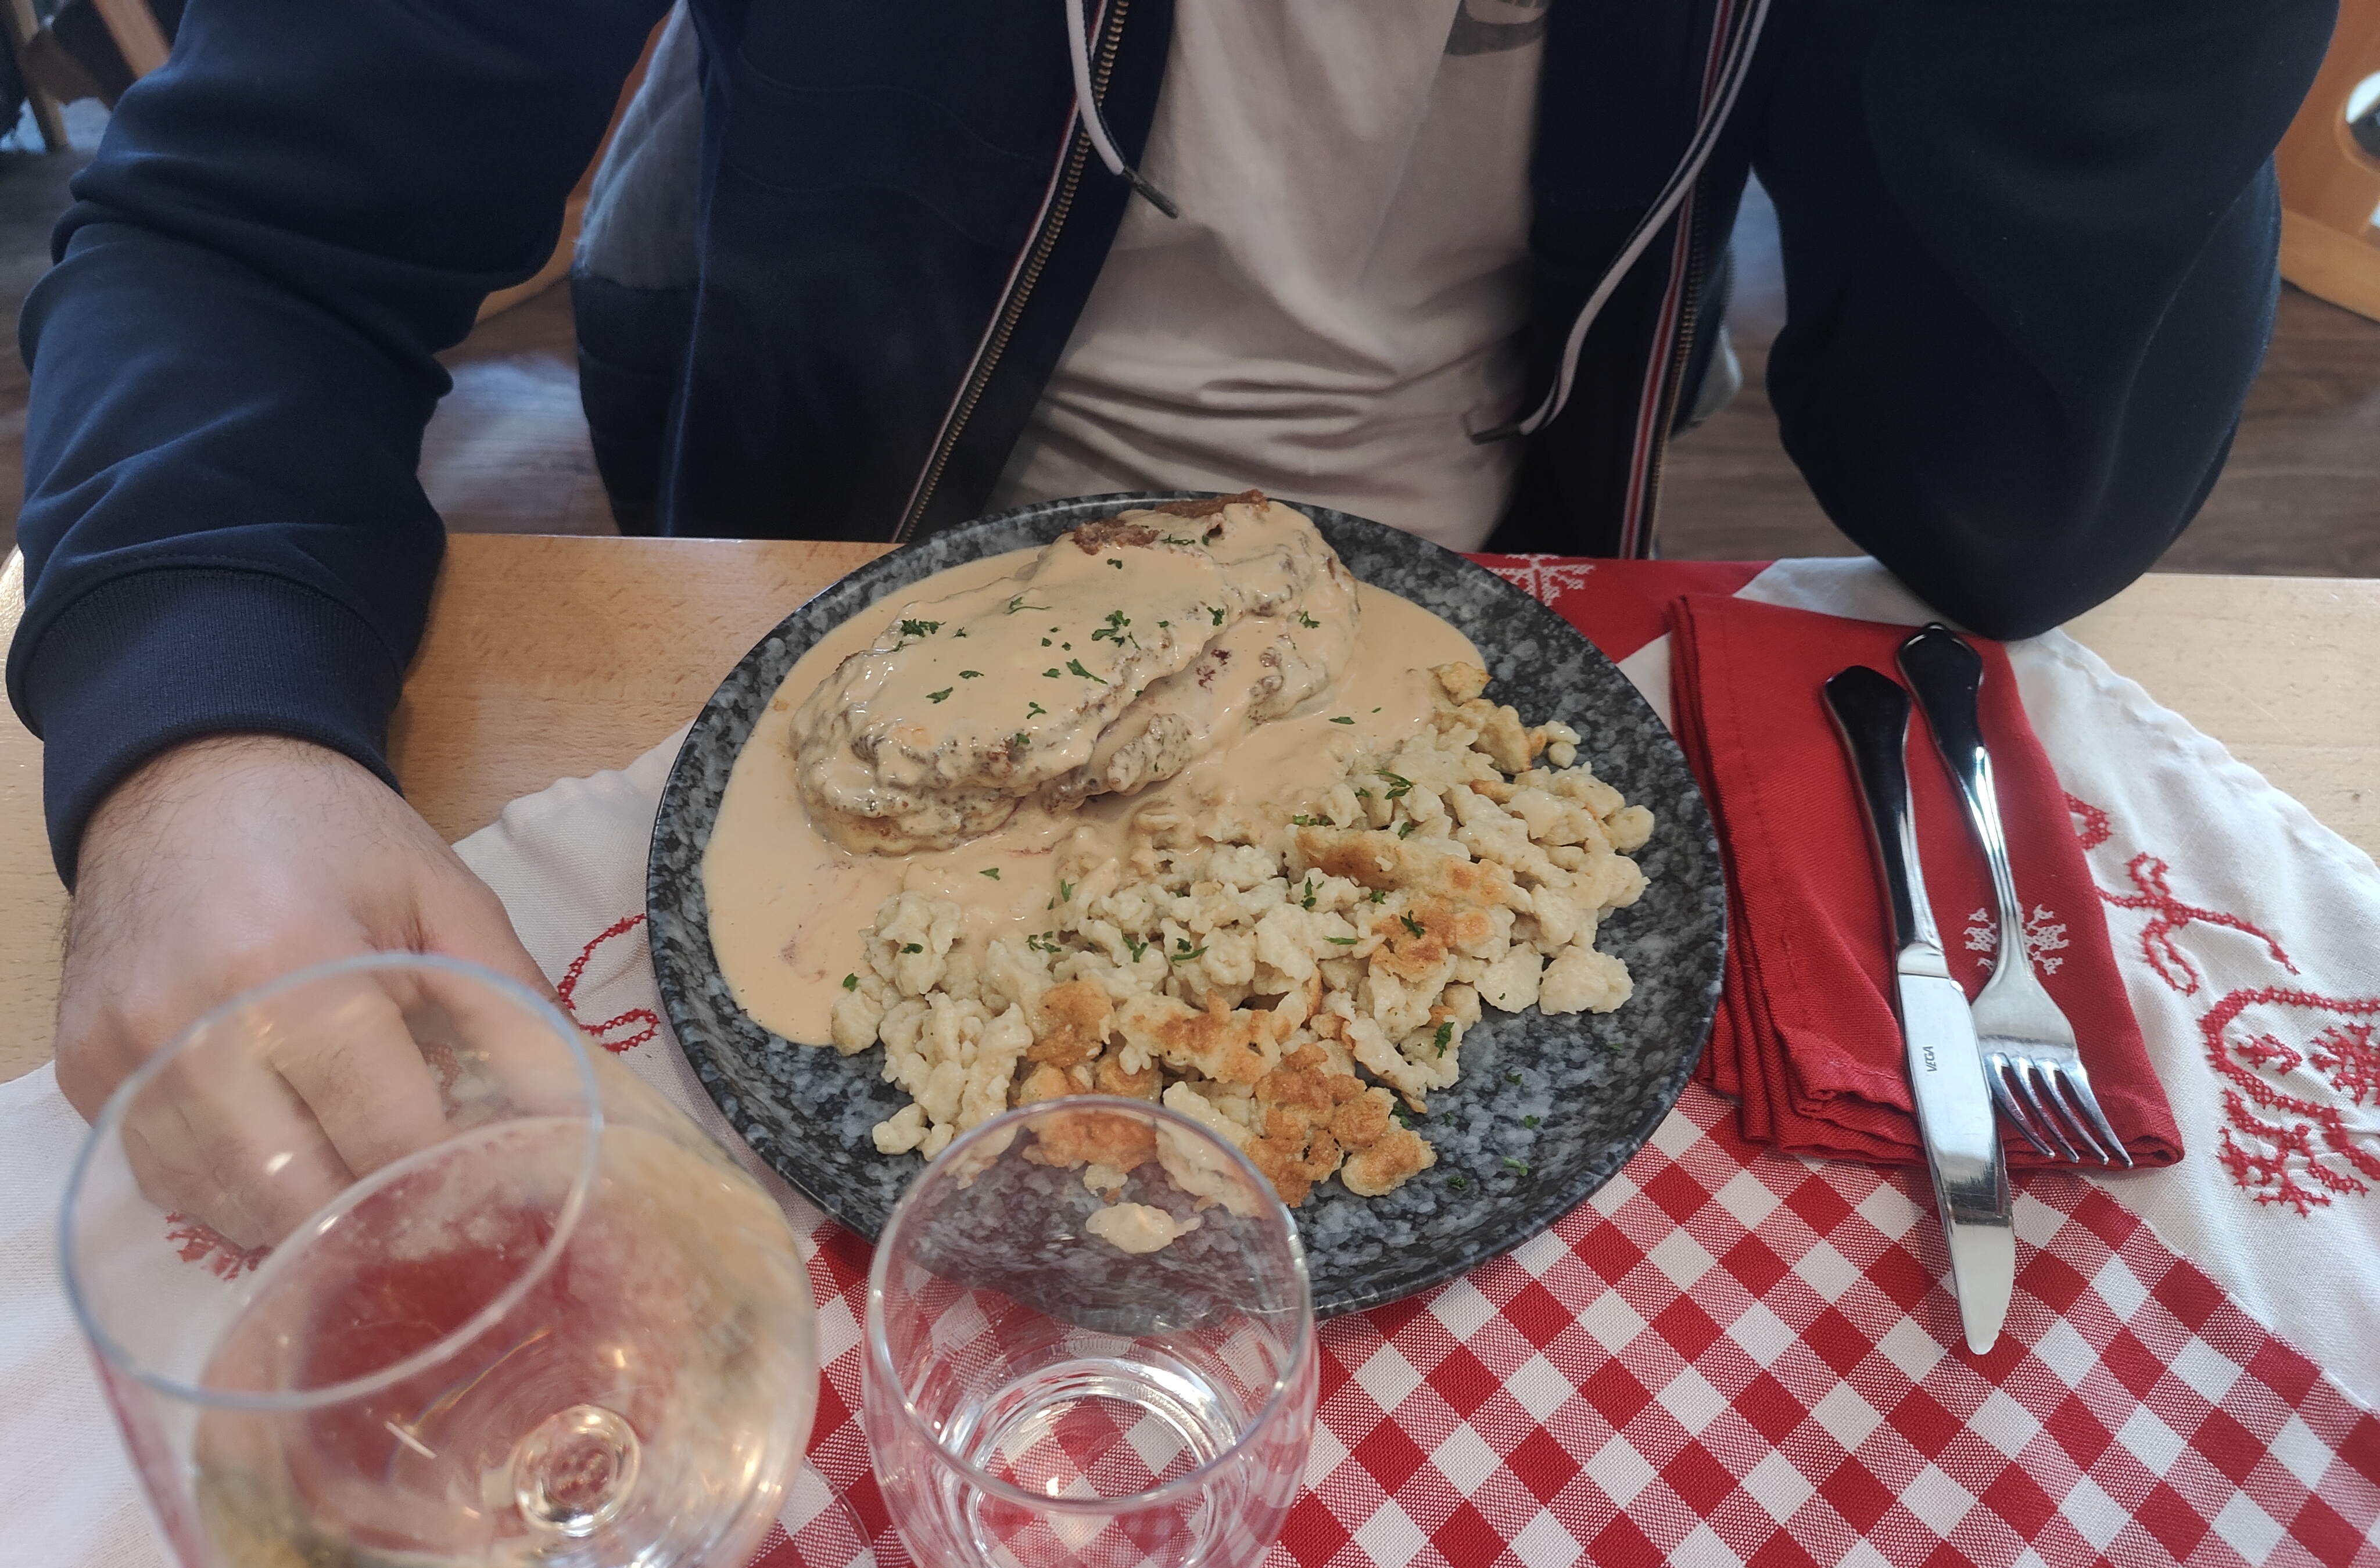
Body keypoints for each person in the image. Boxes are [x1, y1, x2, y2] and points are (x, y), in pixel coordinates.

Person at [6, 0, 2335, 1124]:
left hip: (1482, 635)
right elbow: (248, 230)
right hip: (826, 570)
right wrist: (198, 732)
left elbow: (2003, 510)